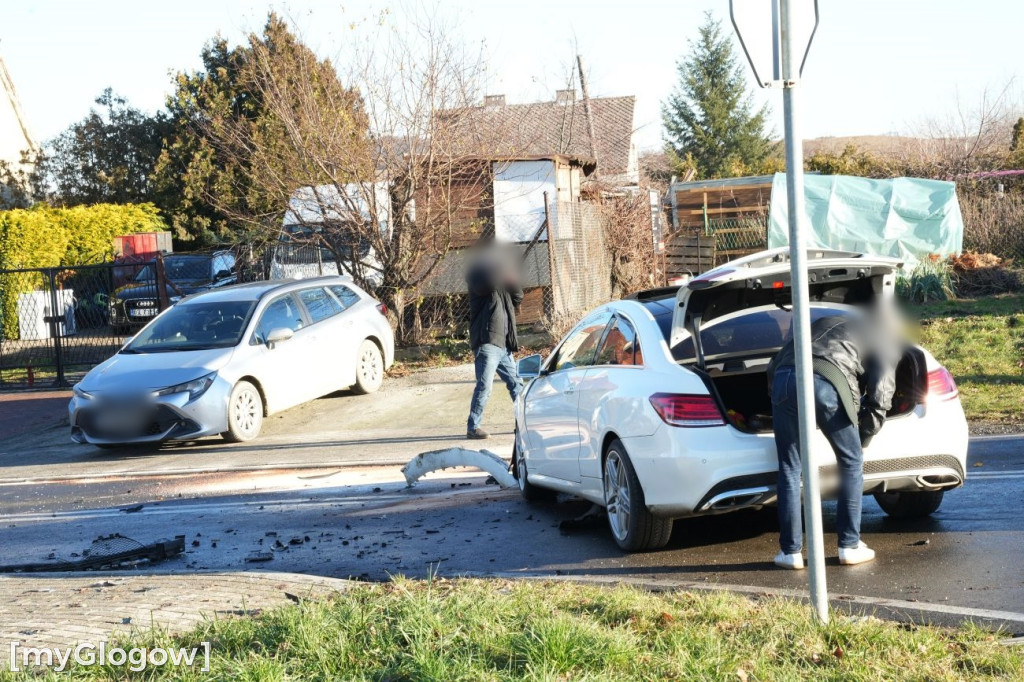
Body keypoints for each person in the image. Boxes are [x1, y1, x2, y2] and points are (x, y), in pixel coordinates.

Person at [767, 309, 899, 569]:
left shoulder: (825, 322)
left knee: (790, 468)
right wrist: (864, 437)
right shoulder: (884, 338)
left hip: (783, 379)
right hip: (827, 381)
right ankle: (849, 546)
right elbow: (881, 393)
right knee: (851, 462)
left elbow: (773, 367)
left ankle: (790, 552)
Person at [465, 245, 524, 439]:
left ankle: (523, 423)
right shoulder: (476, 275)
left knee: (517, 384)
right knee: (485, 386)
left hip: (504, 345)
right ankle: (473, 427)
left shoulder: (500, 282)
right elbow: (487, 284)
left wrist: (512, 280)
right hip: (487, 342)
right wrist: (502, 273)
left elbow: (518, 297)